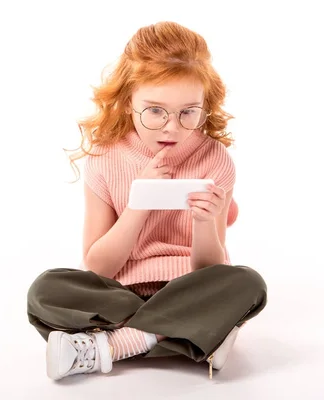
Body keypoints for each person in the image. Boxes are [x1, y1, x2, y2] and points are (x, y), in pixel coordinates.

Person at [26, 21, 268, 381]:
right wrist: (138, 203)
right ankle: (191, 335)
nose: (172, 127)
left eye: (189, 111)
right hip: (119, 295)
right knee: (46, 291)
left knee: (246, 284)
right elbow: (97, 268)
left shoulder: (214, 159)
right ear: (128, 103)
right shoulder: (106, 158)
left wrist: (205, 222)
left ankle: (110, 346)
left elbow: (210, 271)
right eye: (155, 111)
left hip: (190, 288)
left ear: (204, 105)